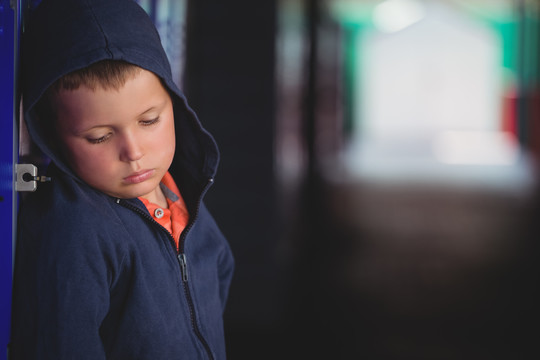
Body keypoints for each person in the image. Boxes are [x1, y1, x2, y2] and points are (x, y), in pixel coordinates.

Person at [10, 0, 234, 359]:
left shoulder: (181, 191)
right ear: (54, 137)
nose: (133, 152)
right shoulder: (75, 231)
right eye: (99, 136)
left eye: (149, 121)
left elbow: (218, 274)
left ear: (174, 104)